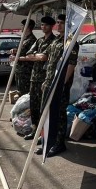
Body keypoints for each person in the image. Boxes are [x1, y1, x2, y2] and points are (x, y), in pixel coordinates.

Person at [35, 14, 79, 157]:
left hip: (59, 86)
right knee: (45, 113)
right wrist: (46, 81)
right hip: (49, 83)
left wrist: (59, 85)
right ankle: (47, 140)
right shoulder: (56, 41)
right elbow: (49, 62)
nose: (58, 25)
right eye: (58, 22)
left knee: (58, 114)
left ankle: (59, 143)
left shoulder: (70, 42)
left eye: (62, 23)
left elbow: (71, 65)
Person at [19, 16, 56, 141]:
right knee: (33, 106)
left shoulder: (53, 41)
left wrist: (35, 56)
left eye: (46, 25)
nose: (43, 27)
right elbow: (29, 55)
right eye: (42, 25)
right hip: (34, 77)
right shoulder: (39, 41)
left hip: (44, 78)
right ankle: (35, 130)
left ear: (51, 27)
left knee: (43, 107)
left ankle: (43, 134)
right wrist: (36, 56)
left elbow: (44, 57)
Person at [11, 19, 37, 95]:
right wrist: (15, 51)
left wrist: (16, 58)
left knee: (25, 93)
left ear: (27, 27)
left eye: (22, 26)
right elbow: (23, 51)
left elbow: (30, 56)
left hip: (26, 71)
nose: (21, 27)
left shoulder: (32, 40)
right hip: (19, 70)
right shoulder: (24, 38)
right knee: (20, 91)